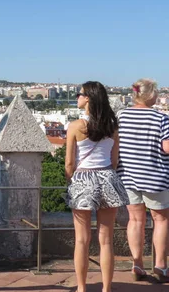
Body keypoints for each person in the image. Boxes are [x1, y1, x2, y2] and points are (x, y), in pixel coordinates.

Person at [65, 81, 129, 292]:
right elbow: (114, 160)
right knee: (106, 240)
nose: (77, 97)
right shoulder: (112, 126)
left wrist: (71, 180)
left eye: (79, 94)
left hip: (83, 179)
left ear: (88, 98)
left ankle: (82, 288)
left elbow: (69, 164)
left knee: (82, 240)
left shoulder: (76, 126)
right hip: (107, 176)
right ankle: (106, 288)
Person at [117, 78, 169, 283]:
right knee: (161, 219)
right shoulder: (160, 118)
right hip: (155, 176)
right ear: (149, 95)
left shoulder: (121, 116)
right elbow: (167, 148)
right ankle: (161, 265)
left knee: (135, 220)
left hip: (128, 176)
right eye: (156, 93)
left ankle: (137, 263)